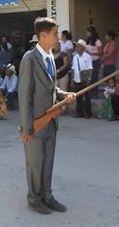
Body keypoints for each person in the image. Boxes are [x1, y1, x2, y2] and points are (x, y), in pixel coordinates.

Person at [18, 17, 75, 215]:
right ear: (43, 35)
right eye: (54, 34)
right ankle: (34, 198)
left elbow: (52, 87)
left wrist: (63, 95)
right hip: (36, 122)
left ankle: (47, 196)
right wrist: (27, 127)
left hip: (51, 119)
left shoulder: (50, 56)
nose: (58, 37)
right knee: (35, 164)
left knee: (48, 161)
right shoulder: (29, 59)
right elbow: (24, 96)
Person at [71, 39, 93, 119]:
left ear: (82, 47)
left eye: (78, 46)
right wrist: (72, 80)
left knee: (87, 97)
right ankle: (80, 112)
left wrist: (89, 78)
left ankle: (88, 113)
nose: (76, 48)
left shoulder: (88, 56)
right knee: (78, 97)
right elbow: (73, 69)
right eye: (76, 46)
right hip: (77, 79)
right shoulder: (75, 57)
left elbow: (90, 68)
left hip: (85, 79)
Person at [86, 26, 102, 98]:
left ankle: (95, 93)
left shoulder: (97, 41)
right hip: (89, 61)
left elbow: (101, 52)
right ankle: (91, 92)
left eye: (88, 32)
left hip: (95, 61)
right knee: (90, 77)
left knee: (94, 78)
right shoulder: (88, 41)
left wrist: (92, 53)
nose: (87, 33)